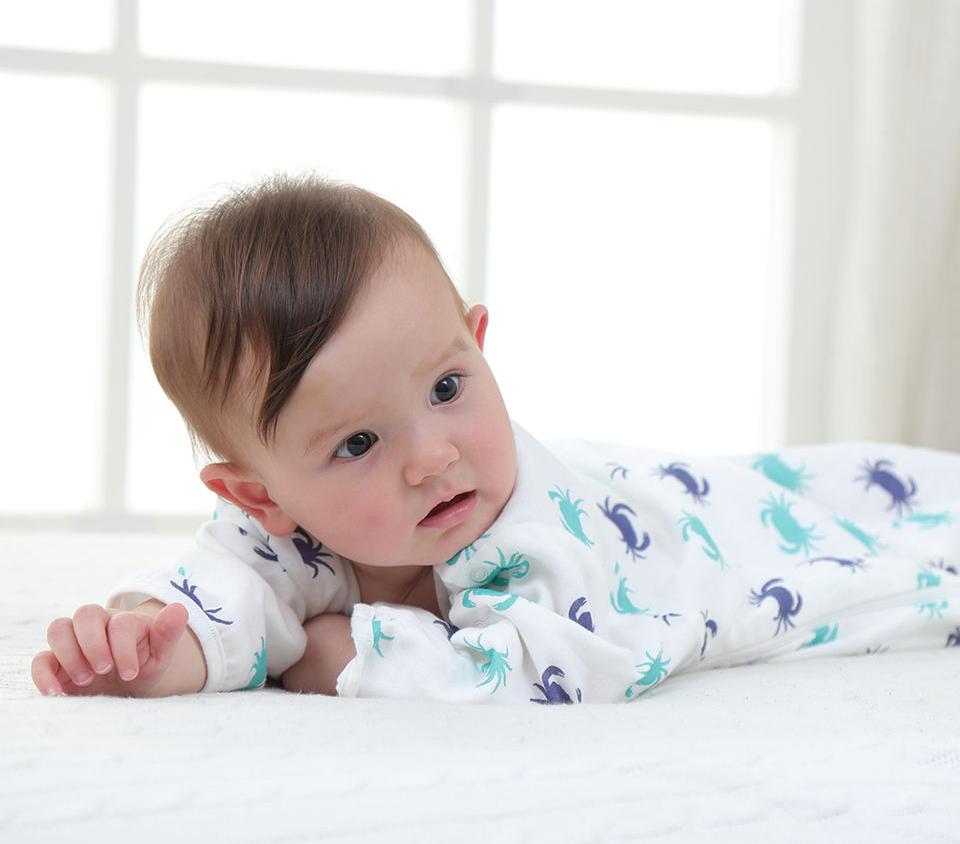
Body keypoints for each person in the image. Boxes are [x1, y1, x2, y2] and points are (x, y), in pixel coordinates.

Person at [32, 174, 960, 703]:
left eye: (447, 388)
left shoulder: (534, 529)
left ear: (477, 342)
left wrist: (334, 653)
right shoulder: (273, 533)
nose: (433, 456)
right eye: (357, 444)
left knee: (890, 535)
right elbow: (218, 604)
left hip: (680, 523)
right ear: (261, 496)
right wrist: (141, 648)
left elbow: (536, 674)